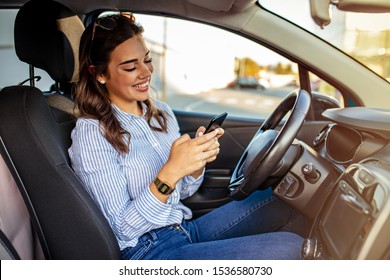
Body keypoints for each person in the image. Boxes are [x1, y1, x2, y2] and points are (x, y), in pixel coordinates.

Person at [68, 13, 306, 260]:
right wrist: (170, 171)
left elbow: (183, 192)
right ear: (100, 74)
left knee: (286, 198)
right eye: (130, 66)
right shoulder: (92, 133)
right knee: (291, 249)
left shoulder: (161, 114)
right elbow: (122, 228)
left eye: (147, 60)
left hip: (183, 228)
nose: (145, 72)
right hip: (146, 251)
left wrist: (194, 165)